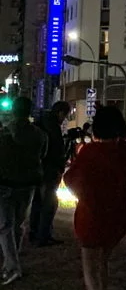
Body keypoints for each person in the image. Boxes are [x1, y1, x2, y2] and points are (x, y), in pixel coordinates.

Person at [64, 106, 126, 290]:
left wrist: (84, 195)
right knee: (103, 261)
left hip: (92, 215)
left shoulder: (90, 151)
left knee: (90, 266)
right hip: (118, 216)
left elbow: (70, 178)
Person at [0, 97, 48, 284]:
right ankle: (13, 260)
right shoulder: (40, 135)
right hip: (28, 183)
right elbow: (42, 155)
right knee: (18, 224)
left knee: (5, 226)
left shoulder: (5, 133)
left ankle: (12, 267)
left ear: (13, 111)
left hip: (5, 183)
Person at [29, 101, 70, 247]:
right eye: (65, 115)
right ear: (60, 112)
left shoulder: (41, 123)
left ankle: (35, 233)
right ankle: (43, 235)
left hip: (38, 168)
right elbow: (57, 150)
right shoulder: (52, 126)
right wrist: (60, 165)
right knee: (49, 202)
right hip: (49, 169)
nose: (64, 119)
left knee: (38, 202)